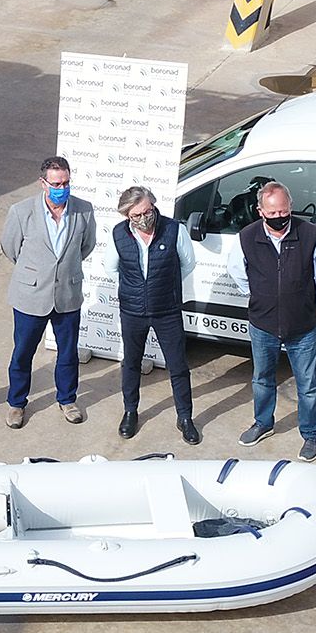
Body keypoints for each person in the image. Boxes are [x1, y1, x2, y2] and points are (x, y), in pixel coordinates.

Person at [227, 181, 316, 461]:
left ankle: (311, 434)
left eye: (283, 211)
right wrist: (259, 294)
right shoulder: (247, 237)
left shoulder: (309, 234)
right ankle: (263, 423)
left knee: (308, 384)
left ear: (290, 208)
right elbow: (236, 271)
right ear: (261, 211)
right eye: (272, 213)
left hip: (302, 323)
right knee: (262, 378)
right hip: (263, 323)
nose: (279, 218)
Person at [0, 157, 96, 428]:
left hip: (67, 294)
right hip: (30, 296)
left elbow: (86, 246)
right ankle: (17, 404)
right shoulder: (21, 211)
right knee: (22, 353)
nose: (61, 188)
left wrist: (64, 272)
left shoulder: (84, 210)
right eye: (56, 183)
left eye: (65, 182)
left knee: (67, 353)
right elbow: (10, 248)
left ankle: (67, 400)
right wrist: (35, 272)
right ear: (43, 183)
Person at [108, 185, 200, 444]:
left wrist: (164, 287)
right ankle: (130, 412)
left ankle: (185, 417)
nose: (144, 218)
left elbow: (188, 263)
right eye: (137, 215)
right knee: (131, 364)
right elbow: (111, 268)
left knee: (178, 366)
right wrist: (135, 289)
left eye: (148, 211)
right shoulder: (118, 234)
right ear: (128, 216)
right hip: (132, 311)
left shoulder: (174, 230)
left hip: (167, 310)